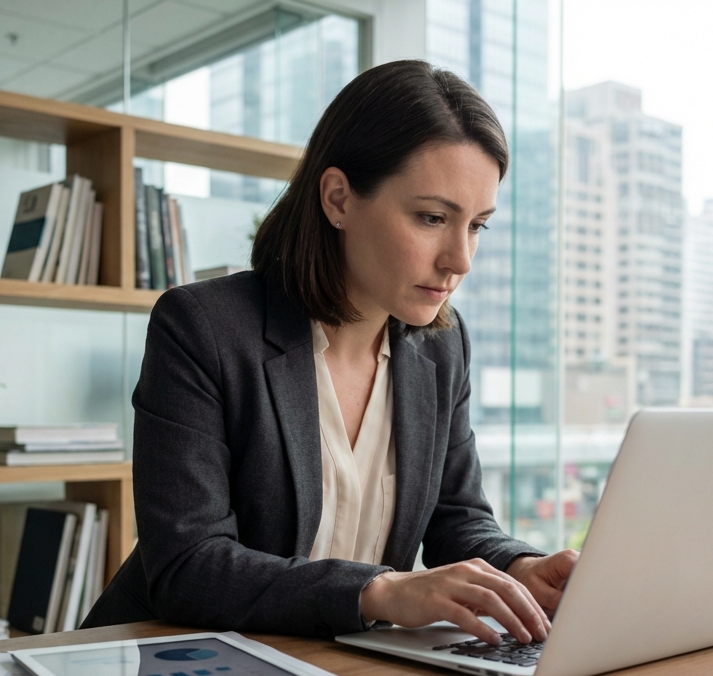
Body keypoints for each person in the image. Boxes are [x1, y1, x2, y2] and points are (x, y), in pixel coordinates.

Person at [83, 59, 577, 644]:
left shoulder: (443, 349)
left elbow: (458, 521)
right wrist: (380, 592)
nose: (460, 260)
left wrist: (519, 569)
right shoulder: (202, 329)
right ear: (339, 198)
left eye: (477, 226)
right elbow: (188, 565)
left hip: (338, 672)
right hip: (175, 668)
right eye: (432, 218)